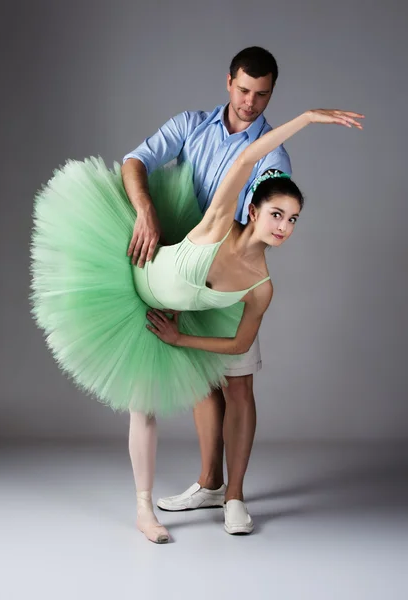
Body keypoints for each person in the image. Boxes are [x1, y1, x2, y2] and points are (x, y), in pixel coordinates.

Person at [31, 102, 363, 544]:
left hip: (168, 314)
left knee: (148, 399)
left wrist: (179, 336)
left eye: (293, 220)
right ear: (255, 208)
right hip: (129, 270)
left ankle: (168, 506)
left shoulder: (261, 287)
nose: (284, 227)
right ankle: (176, 498)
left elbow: (238, 344)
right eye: (277, 215)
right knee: (147, 397)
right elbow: (245, 160)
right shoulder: (218, 222)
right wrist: (304, 120)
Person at [121, 47, 290, 536]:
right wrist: (146, 211)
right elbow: (136, 160)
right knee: (200, 379)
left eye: (261, 95)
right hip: (175, 262)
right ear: (228, 81)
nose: (250, 103)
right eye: (242, 90)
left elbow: (268, 205)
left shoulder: (272, 153)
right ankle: (209, 483)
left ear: (271, 94)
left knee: (237, 382)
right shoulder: (191, 124)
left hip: (227, 275)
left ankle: (235, 497)